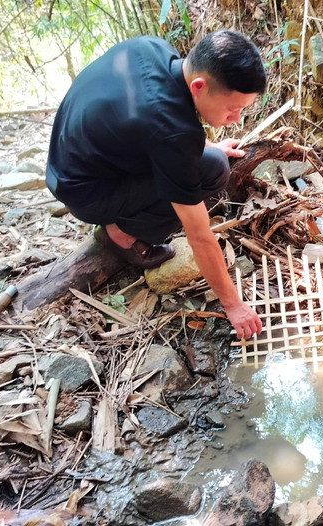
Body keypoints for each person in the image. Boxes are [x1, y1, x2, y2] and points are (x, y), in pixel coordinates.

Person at [46, 30, 264, 339]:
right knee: (212, 171)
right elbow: (199, 236)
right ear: (199, 86)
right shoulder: (172, 133)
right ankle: (123, 234)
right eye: (232, 108)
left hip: (68, 164)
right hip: (86, 193)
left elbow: (153, 125)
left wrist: (205, 146)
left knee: (209, 158)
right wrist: (233, 306)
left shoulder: (152, 48)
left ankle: (126, 216)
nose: (236, 118)